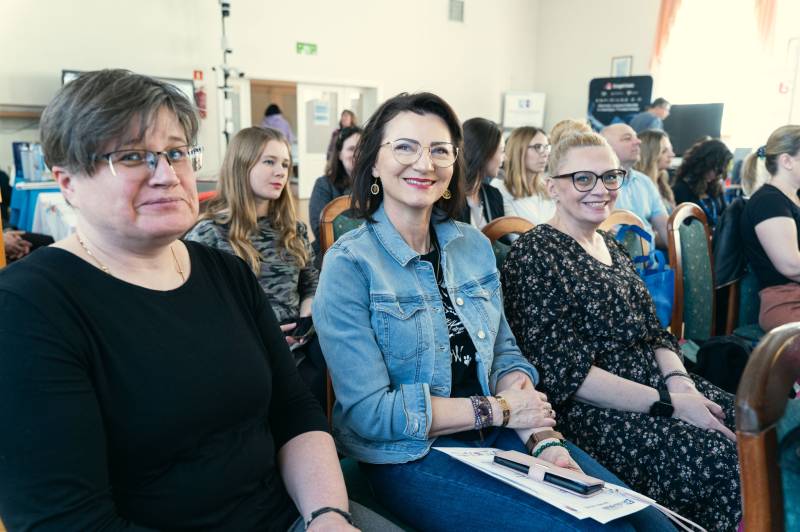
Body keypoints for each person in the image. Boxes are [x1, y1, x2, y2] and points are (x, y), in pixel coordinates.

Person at [0, 69, 395, 532]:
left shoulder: (226, 272)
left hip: (295, 513)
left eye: (176, 152)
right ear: (66, 181)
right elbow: (67, 520)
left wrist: (327, 514)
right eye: (132, 156)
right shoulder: (28, 306)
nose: (167, 175)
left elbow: (294, 410)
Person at [313, 92, 675, 532]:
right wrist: (500, 409)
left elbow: (505, 355)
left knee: (651, 523)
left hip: (500, 432)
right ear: (373, 162)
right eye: (405, 147)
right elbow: (371, 412)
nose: (424, 164)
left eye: (440, 150)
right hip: (411, 454)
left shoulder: (472, 245)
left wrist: (543, 441)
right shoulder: (350, 263)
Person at [502, 130, 741, 531]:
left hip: (660, 386)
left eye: (610, 176)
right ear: (552, 187)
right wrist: (671, 404)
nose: (601, 189)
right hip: (600, 410)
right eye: (583, 178)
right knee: (724, 461)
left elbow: (655, 333)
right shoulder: (535, 253)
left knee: (758, 426)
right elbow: (568, 375)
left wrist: (681, 383)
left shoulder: (612, 245)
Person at [185, 126, 327, 407]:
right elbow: (196, 312)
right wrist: (262, 338)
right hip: (243, 352)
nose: (281, 172)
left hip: (299, 346)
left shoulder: (293, 229)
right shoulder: (209, 234)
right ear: (241, 165)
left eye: (285, 164)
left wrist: (304, 321)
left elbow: (311, 284)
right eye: (269, 162)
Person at [741, 125, 800, 331]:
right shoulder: (769, 202)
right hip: (787, 301)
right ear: (786, 161)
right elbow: (791, 266)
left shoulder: (792, 198)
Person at [601, 124, 669, 247]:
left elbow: (665, 227)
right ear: (607, 147)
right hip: (613, 257)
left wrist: (681, 255)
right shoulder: (598, 184)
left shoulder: (645, 182)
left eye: (636, 137)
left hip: (650, 258)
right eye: (627, 138)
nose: (638, 142)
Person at [309, 126, 362, 265]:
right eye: (351, 149)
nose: (357, 154)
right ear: (339, 154)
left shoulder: (378, 185)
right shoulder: (323, 184)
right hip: (333, 257)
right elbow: (319, 230)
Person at [490, 126, 555, 224]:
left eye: (546, 147)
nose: (545, 154)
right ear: (518, 151)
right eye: (538, 147)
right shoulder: (499, 188)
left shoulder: (547, 188)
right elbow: (514, 231)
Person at [672, 138, 732, 231]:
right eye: (716, 170)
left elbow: (726, 215)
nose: (716, 176)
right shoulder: (681, 189)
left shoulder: (715, 187)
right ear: (705, 165)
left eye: (720, 172)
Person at [459, 117, 505, 228]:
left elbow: (501, 237)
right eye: (502, 151)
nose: (504, 158)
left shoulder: (494, 196)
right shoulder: (447, 198)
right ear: (484, 153)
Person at [633, 129, 676, 211]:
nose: (672, 155)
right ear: (650, 154)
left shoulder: (662, 181)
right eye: (664, 151)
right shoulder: (639, 186)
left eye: (671, 150)